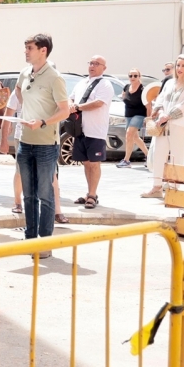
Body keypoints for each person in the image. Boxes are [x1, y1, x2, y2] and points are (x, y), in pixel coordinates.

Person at [14, 34, 70, 254]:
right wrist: (27, 112)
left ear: (43, 50)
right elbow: (19, 90)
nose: (26, 51)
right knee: (28, 194)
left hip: (47, 144)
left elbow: (65, 110)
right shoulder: (24, 73)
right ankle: (30, 239)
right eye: (25, 47)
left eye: (29, 48)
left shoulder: (55, 77)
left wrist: (44, 121)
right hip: (25, 142)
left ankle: (45, 243)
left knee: (45, 195)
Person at [142, 55, 184, 199]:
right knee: (159, 154)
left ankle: (174, 188)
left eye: (183, 65)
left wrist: (167, 116)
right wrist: (161, 112)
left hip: (180, 125)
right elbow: (160, 99)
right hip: (163, 125)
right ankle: (157, 187)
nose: (180, 68)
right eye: (178, 65)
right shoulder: (169, 83)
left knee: (176, 156)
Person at [68, 55, 114, 209]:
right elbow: (71, 98)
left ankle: (93, 195)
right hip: (81, 130)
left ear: (104, 68)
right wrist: (71, 105)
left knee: (94, 164)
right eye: (91, 63)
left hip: (96, 131)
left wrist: (78, 107)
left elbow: (99, 103)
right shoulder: (82, 83)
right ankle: (89, 193)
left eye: (96, 63)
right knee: (86, 163)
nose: (92, 66)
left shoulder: (105, 84)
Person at [117, 70, 150, 167]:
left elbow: (148, 105)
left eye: (135, 75)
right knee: (134, 137)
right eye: (130, 75)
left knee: (129, 134)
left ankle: (126, 160)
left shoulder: (143, 89)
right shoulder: (126, 87)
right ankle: (150, 157)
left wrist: (149, 119)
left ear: (139, 76)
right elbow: (124, 97)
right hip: (128, 114)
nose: (133, 77)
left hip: (139, 114)